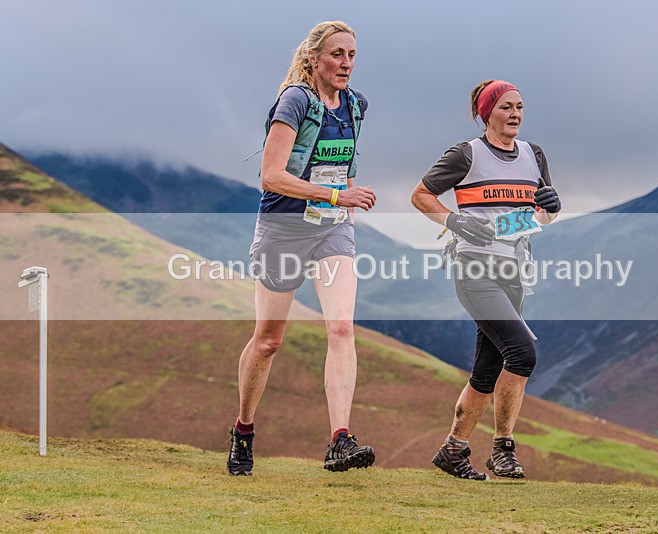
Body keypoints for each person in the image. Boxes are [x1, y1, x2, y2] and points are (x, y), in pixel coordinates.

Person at [227, 21, 377, 476]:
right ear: (314, 58)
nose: (346, 63)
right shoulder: (294, 101)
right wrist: (335, 196)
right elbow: (271, 175)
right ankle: (244, 430)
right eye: (336, 54)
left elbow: (345, 161)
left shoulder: (356, 105)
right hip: (284, 227)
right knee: (269, 341)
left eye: (351, 54)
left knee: (342, 329)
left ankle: (340, 439)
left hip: (331, 230)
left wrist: (346, 202)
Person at [410, 80, 561, 480]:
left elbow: (542, 215)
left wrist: (552, 207)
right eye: (506, 107)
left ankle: (453, 449)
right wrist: (454, 220)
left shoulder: (534, 154)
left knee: (487, 370)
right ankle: (502, 448)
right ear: (486, 113)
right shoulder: (466, 155)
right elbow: (421, 195)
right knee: (523, 353)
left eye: (520, 107)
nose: (515, 114)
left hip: (515, 271)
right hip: (475, 269)